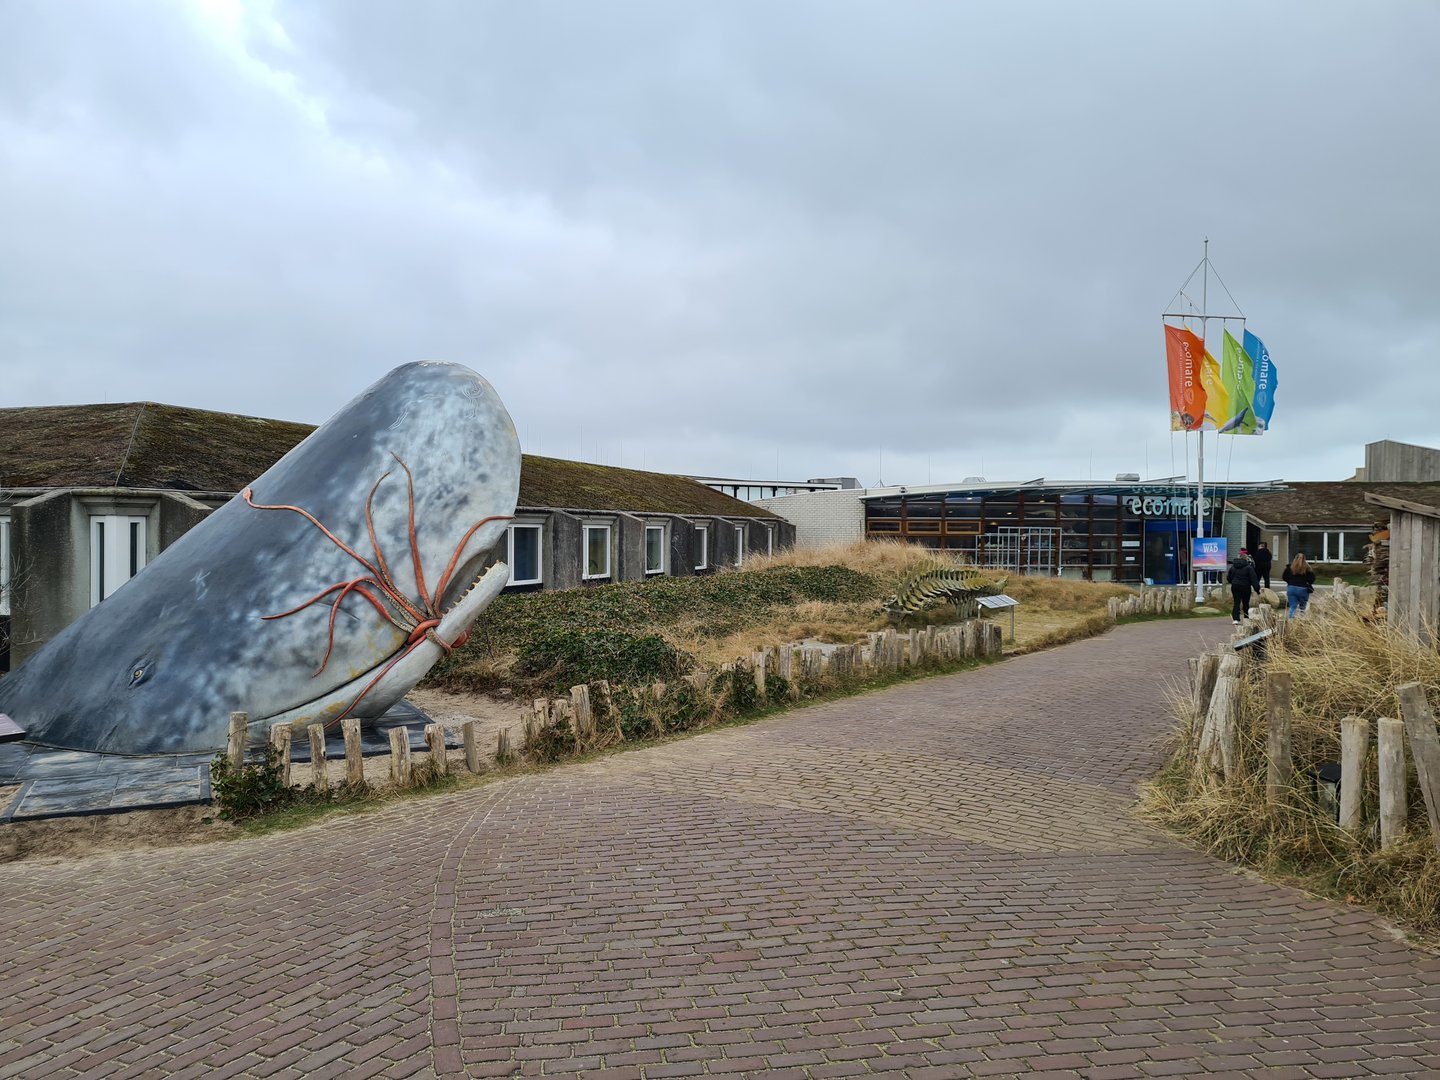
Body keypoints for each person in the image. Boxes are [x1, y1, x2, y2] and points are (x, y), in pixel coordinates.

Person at [1227, 548, 1260, 625]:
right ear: (1246, 557)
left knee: (1236, 602)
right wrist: (1257, 589)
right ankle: (1246, 617)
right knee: (1245, 602)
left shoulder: (1233, 567)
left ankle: (1235, 619)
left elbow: (1229, 577)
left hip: (1235, 586)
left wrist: (1233, 581)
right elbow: (1254, 579)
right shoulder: (1248, 567)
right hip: (1245, 586)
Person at [1282, 552, 1316, 618]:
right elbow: (1312, 578)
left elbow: (1284, 577)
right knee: (1302, 607)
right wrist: (1307, 583)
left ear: (1295, 558)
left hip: (1291, 588)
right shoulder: (1307, 568)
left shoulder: (1290, 568)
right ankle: (1301, 621)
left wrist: (1289, 582)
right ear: (1304, 559)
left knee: (1292, 606)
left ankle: (1291, 621)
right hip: (1303, 589)